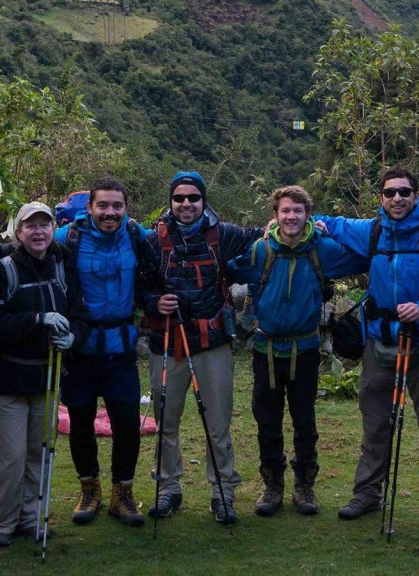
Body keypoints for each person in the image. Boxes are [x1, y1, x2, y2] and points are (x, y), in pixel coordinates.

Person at [316, 166, 419, 532]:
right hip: (379, 346)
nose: (396, 198)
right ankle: (368, 494)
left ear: (416, 196)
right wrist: (309, 224)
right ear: (380, 198)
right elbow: (330, 222)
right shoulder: (372, 232)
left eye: (404, 192)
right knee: (374, 425)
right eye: (389, 193)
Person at [228, 185, 366, 517]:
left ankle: (305, 486)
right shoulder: (261, 251)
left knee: (305, 420)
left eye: (298, 211)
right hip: (266, 348)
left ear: (308, 215)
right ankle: (273, 485)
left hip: (305, 348)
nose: (291, 217)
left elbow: (362, 256)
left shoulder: (323, 250)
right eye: (285, 211)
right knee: (267, 419)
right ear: (275, 215)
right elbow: (230, 267)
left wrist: (330, 229)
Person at [137, 170, 263, 523]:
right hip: (167, 341)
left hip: (212, 343)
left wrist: (315, 226)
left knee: (218, 422)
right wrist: (153, 303)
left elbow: (263, 235)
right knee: (166, 420)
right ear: (170, 202)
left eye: (193, 197)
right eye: (179, 198)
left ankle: (222, 491)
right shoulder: (153, 241)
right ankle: (168, 489)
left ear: (204, 200)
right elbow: (140, 287)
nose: (186, 204)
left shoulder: (222, 235)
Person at [0, 202, 89, 547]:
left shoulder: (63, 266)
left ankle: (32, 519)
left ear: (52, 229)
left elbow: (79, 313)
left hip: (48, 378)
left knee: (40, 453)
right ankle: (3, 524)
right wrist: (37, 319)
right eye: (31, 226)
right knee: (9, 459)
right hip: (11, 381)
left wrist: (73, 335)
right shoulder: (4, 270)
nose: (39, 232)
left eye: (45, 225)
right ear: (19, 232)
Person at [53, 176, 147, 527]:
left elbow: (172, 249)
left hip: (121, 348)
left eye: (117, 206)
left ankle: (122, 493)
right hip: (80, 348)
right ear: (89, 207)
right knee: (80, 422)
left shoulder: (137, 237)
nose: (110, 212)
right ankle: (88, 487)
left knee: (127, 423)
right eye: (103, 206)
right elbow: (33, 248)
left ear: (126, 209)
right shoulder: (69, 239)